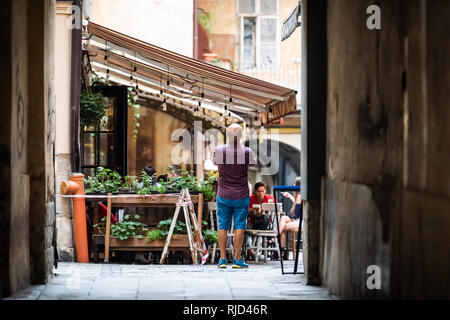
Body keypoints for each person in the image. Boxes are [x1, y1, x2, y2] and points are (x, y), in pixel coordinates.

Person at [213, 123, 256, 269]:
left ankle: (223, 259)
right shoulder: (247, 151)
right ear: (241, 136)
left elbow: (214, 163)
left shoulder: (219, 150)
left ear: (227, 135)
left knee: (222, 226)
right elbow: (253, 164)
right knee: (239, 226)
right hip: (241, 194)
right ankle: (237, 260)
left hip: (223, 193)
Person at [246, 182, 274, 259]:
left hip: (265, 224)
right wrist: (253, 210)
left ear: (265, 191)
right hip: (253, 222)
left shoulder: (269, 198)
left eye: (262, 191)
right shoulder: (251, 198)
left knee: (266, 217)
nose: (261, 193)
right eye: (259, 191)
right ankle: (268, 240)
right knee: (244, 230)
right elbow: (246, 210)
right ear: (255, 191)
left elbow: (277, 208)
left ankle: (262, 240)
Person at [279, 177, 302, 260]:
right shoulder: (299, 196)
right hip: (297, 220)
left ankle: (280, 246)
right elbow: (297, 205)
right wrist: (290, 196)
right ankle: (282, 251)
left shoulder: (300, 196)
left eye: (294, 185)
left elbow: (295, 215)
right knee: (283, 222)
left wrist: (289, 218)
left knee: (283, 223)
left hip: (300, 221)